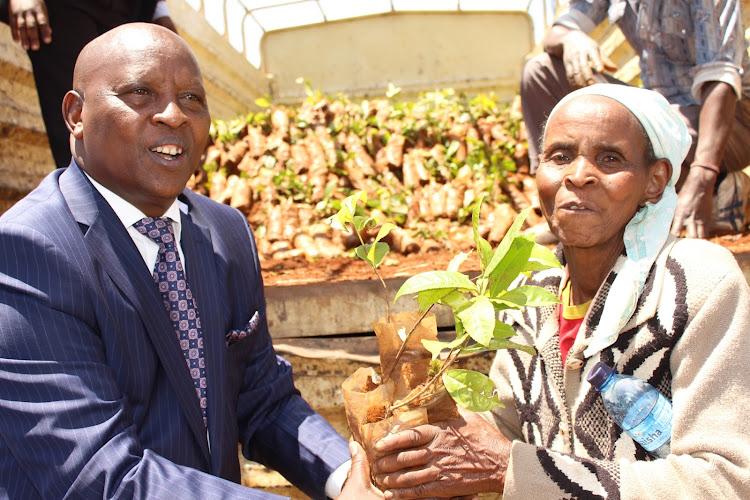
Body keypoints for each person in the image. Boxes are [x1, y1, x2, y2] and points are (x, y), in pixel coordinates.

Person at [0, 23, 355, 499]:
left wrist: (348, 479)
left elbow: (262, 399)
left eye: (192, 98)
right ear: (75, 114)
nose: (174, 114)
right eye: (141, 92)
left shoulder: (226, 231)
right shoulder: (29, 251)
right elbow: (99, 477)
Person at [370, 85, 750, 499]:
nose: (578, 174)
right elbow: (500, 429)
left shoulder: (694, 282)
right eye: (560, 156)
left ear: (654, 181)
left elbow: (725, 482)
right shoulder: (532, 290)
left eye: (610, 158)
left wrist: (511, 470)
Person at [520, 0, 750, 239]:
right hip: (662, 113)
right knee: (541, 71)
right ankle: (568, 210)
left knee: (642, 139)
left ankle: (711, 189)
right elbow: (559, 30)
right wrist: (570, 38)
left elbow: (720, 79)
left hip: (731, 119)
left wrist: (704, 174)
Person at [1, 0, 176, 169]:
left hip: (130, 12)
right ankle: (86, 195)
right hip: (65, 10)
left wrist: (160, 11)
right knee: (81, 118)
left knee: (130, 109)